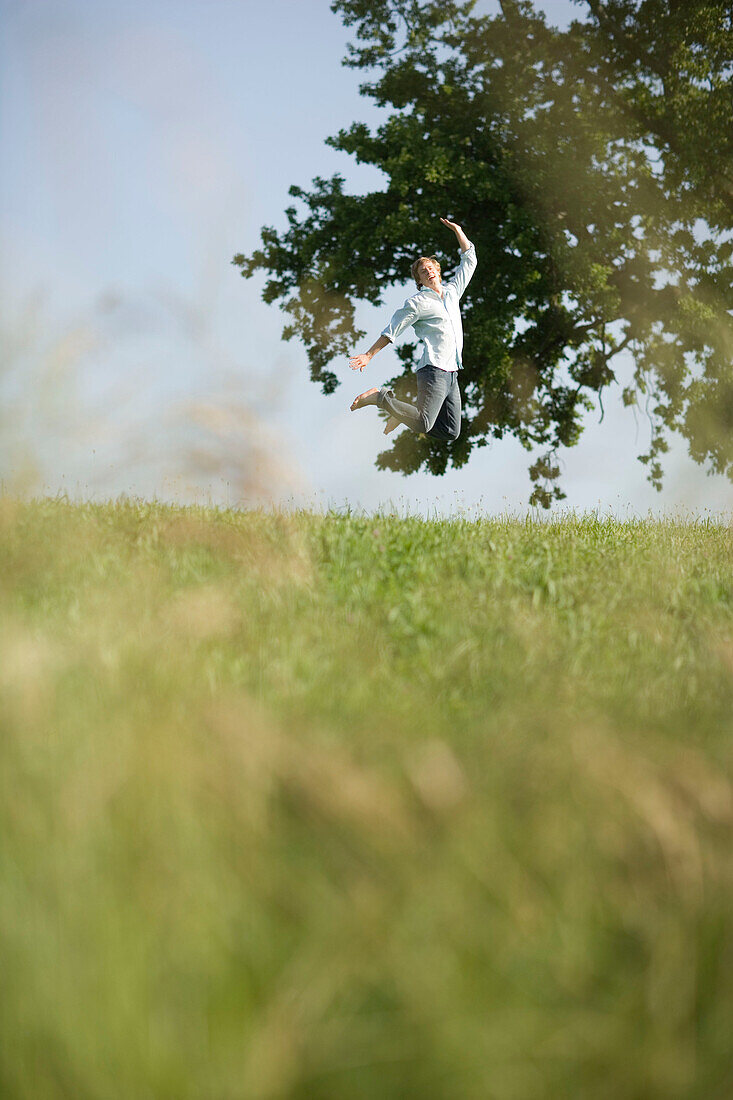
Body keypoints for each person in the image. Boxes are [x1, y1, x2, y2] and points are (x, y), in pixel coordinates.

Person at [349, 217, 477, 439]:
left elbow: (469, 260)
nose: (428, 271)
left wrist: (458, 230)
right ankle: (380, 397)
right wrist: (369, 355)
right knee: (424, 423)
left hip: (453, 373)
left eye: (430, 267)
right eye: (422, 271)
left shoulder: (453, 292)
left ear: (438, 270)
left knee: (451, 431)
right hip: (434, 369)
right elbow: (392, 330)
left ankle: (399, 413)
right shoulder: (417, 303)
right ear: (419, 280)